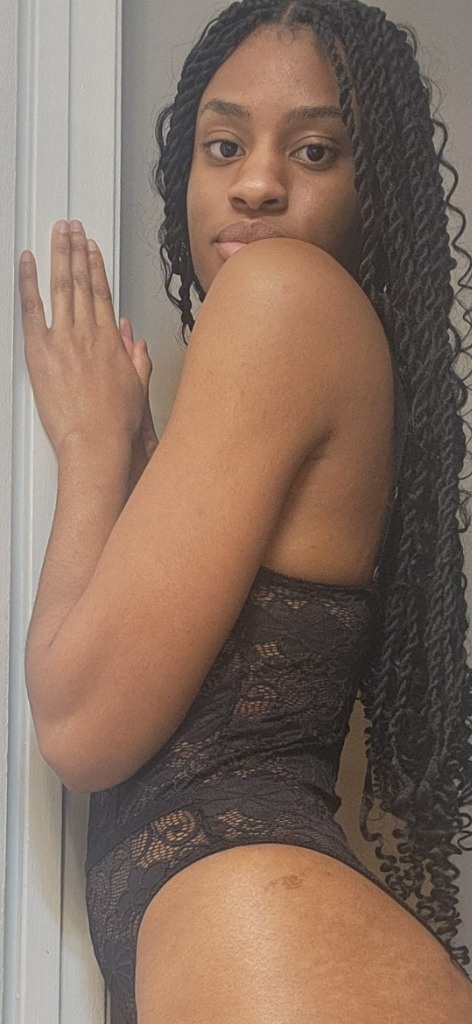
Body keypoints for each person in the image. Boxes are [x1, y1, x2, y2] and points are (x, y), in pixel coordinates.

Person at [18, 0, 472, 1021]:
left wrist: (92, 451)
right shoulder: (310, 352)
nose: (258, 182)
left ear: (372, 188)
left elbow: (82, 725)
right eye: (223, 145)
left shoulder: (283, 292)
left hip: (269, 934)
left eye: (314, 151)